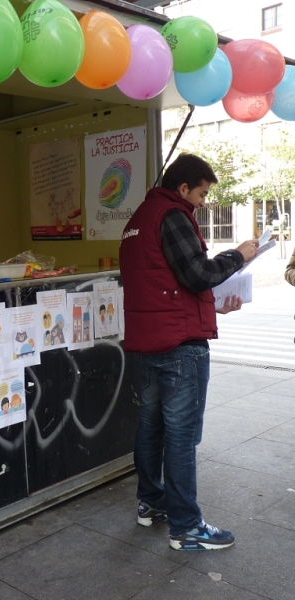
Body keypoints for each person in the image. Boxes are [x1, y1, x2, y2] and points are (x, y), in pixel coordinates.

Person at [119, 153, 259, 552]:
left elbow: (165, 284)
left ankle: (151, 503)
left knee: (150, 428)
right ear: (183, 188)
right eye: (201, 193)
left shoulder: (139, 219)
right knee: (181, 437)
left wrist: (213, 303)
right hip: (180, 348)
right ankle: (186, 527)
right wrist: (239, 256)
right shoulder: (173, 215)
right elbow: (196, 273)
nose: (202, 201)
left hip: (148, 342)